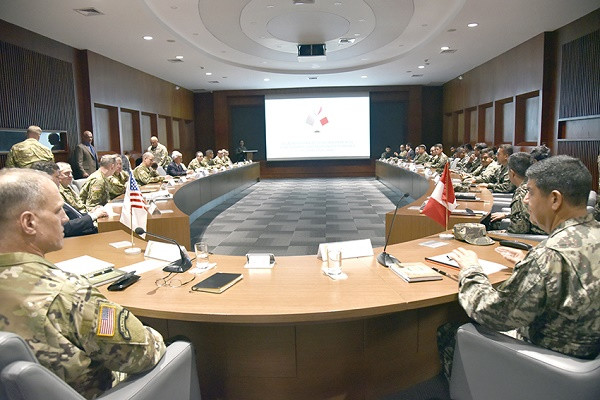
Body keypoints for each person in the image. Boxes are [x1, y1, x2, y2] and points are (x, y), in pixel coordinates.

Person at [0, 168, 166, 399]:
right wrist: (159, 334)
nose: (66, 219)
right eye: (58, 211)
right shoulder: (66, 293)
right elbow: (142, 352)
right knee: (178, 343)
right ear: (29, 222)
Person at [439, 155, 600, 380]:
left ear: (555, 199)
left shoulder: (550, 255)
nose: (525, 200)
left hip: (546, 367)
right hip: (586, 359)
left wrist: (471, 269)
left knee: (448, 331)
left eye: (531, 193)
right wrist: (530, 264)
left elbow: (492, 313)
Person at [30, 162, 107, 238]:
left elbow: (75, 216)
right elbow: (65, 227)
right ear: (46, 179)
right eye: (57, 177)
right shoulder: (43, 200)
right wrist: (92, 216)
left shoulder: (54, 194)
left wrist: (90, 214)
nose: (59, 180)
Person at [488, 152, 545, 234]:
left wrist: (505, 233)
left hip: (531, 239)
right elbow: (527, 213)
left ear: (512, 173)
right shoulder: (536, 185)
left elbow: (519, 229)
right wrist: (508, 215)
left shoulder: (522, 192)